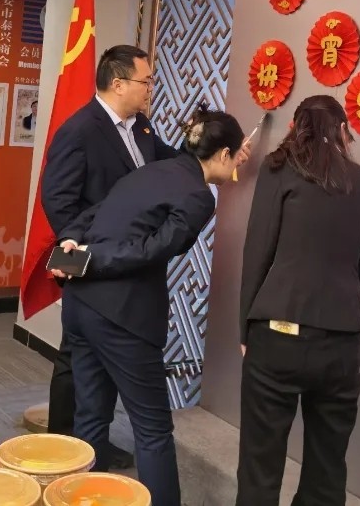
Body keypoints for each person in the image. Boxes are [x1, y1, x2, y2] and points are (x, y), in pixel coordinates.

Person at [54, 106, 245, 506]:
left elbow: (94, 211)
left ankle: (83, 499)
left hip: (80, 306)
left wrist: (70, 242)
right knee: (153, 429)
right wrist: (90, 259)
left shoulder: (150, 170)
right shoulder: (198, 195)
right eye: (236, 157)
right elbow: (152, 249)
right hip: (123, 318)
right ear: (224, 154)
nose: (237, 166)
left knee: (90, 416)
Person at [235, 95, 360, 506]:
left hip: (276, 333)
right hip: (340, 342)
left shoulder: (278, 170)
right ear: (343, 131)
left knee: (260, 468)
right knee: (327, 470)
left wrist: (245, 327)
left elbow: (258, 252)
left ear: (296, 129)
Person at [40, 45, 180, 467]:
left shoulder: (142, 127)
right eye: (146, 81)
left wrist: (209, 158)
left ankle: (93, 442)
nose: (151, 88)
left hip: (125, 264)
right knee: (76, 355)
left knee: (100, 359)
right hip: (87, 259)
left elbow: (167, 163)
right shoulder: (79, 130)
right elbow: (58, 200)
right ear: (118, 84)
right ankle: (63, 444)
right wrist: (84, 247)